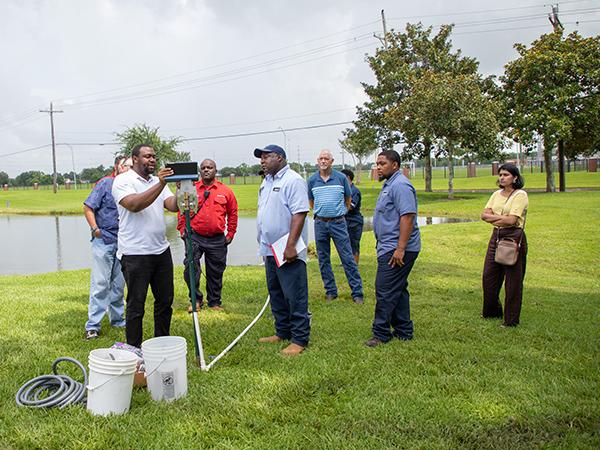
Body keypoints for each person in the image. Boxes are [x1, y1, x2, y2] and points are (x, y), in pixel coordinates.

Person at [111, 144, 178, 348]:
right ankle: (134, 349)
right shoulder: (123, 180)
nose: (152, 159)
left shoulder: (157, 181)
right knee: (136, 305)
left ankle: (161, 344)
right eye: (147, 156)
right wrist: (160, 183)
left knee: (165, 302)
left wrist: (184, 189)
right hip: (135, 253)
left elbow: (172, 205)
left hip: (160, 250)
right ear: (134, 159)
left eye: (154, 157)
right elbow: (134, 205)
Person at [255, 144, 310, 356]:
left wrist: (291, 246)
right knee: (276, 292)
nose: (262, 161)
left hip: (287, 249)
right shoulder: (266, 181)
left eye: (266, 157)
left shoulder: (293, 180)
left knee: (294, 294)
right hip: (269, 248)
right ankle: (282, 331)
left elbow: (300, 213)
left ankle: (299, 339)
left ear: (279, 158)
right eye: (261, 158)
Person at [365, 150, 421, 347]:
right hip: (389, 246)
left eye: (382, 163)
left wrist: (400, 248)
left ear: (395, 165)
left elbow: (407, 216)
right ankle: (404, 331)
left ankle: (380, 334)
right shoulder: (390, 184)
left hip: (397, 248)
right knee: (398, 288)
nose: (378, 167)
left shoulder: (401, 185)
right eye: (377, 164)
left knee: (385, 289)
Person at [177, 159, 238, 312]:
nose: (206, 170)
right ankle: (196, 300)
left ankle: (214, 302)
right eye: (203, 168)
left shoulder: (226, 191)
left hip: (217, 238)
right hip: (194, 236)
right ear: (200, 171)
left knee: (215, 271)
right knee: (191, 268)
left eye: (209, 167)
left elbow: (233, 213)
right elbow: (181, 208)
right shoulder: (192, 189)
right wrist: (182, 228)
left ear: (215, 170)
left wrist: (230, 233)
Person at [83, 156, 132, 339]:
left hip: (124, 242)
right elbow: (88, 207)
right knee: (101, 283)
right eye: (125, 165)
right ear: (117, 167)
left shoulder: (131, 185)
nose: (128, 169)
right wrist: (95, 229)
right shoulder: (105, 183)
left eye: (130, 167)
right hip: (104, 240)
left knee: (118, 285)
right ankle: (93, 325)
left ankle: (118, 320)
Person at [307, 150, 364, 304]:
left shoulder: (340, 178)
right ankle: (331, 291)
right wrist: (321, 212)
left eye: (326, 159)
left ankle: (357, 292)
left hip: (338, 222)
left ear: (332, 161)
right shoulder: (312, 180)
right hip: (320, 223)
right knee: (323, 259)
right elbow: (311, 202)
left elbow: (348, 198)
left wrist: (340, 212)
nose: (323, 161)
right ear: (317, 161)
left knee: (347, 257)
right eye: (321, 159)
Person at [481, 163, 528, 327]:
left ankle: (511, 320)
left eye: (506, 175)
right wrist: (500, 218)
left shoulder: (520, 195)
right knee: (489, 277)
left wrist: (493, 217)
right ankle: (492, 312)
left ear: (515, 178)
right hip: (497, 236)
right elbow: (484, 214)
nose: (502, 177)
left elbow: (512, 220)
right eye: (500, 174)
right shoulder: (495, 194)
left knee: (513, 282)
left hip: (513, 237)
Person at [340, 168, 364, 264]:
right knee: (345, 244)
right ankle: (347, 263)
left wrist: (337, 209)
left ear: (348, 178)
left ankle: (355, 263)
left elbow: (351, 207)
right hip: (345, 221)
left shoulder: (354, 191)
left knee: (354, 243)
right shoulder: (343, 190)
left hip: (354, 222)